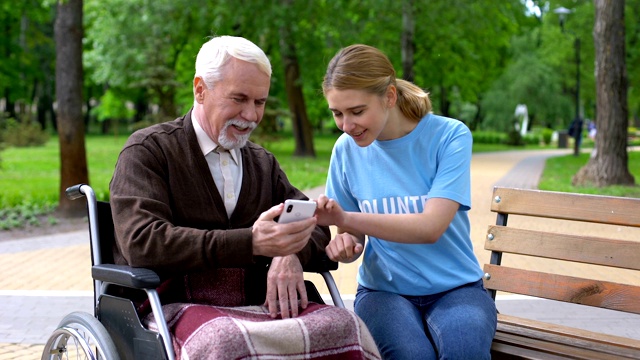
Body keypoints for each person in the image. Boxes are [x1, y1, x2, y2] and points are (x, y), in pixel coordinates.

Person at [110, 36, 380, 359]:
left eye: (260, 102)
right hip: (173, 302)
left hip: (261, 301)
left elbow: (317, 225)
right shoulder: (150, 152)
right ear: (200, 89)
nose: (251, 115)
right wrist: (251, 242)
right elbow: (143, 242)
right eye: (239, 99)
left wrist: (288, 252)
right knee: (224, 341)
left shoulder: (262, 163)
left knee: (346, 326)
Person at [315, 44, 497, 359]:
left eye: (357, 111)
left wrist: (344, 220)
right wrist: (346, 244)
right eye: (337, 113)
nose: (346, 125)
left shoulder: (449, 136)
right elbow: (350, 232)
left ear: (389, 96)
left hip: (456, 289)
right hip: (383, 293)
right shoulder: (345, 150)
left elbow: (430, 227)